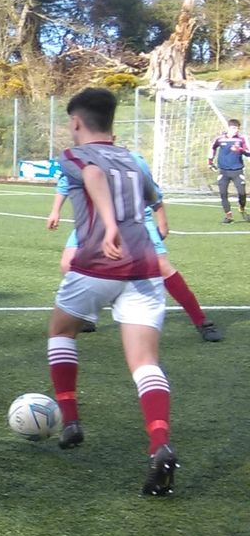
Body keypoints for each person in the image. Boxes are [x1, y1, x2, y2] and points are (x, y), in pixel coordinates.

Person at [43, 88, 181, 496]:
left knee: (61, 331)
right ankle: (159, 444)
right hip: (145, 268)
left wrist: (109, 225)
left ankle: (70, 419)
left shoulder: (74, 156)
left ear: (76, 122)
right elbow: (155, 200)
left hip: (98, 264)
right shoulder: (133, 160)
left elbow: (93, 175)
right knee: (145, 363)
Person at [46, 156, 220, 342]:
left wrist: (162, 223)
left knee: (161, 265)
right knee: (68, 263)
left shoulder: (133, 160)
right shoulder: (80, 159)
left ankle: (201, 321)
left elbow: (153, 192)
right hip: (95, 220)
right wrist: (55, 211)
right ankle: (87, 316)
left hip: (136, 218)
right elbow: (65, 183)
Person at [210, 118, 247, 223]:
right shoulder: (220, 139)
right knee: (223, 193)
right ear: (229, 127)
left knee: (242, 193)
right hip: (223, 171)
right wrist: (210, 161)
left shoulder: (241, 139)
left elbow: (248, 152)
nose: (235, 130)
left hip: (237, 171)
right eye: (233, 128)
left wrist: (240, 150)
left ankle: (241, 208)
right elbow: (212, 148)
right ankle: (228, 216)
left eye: (237, 128)